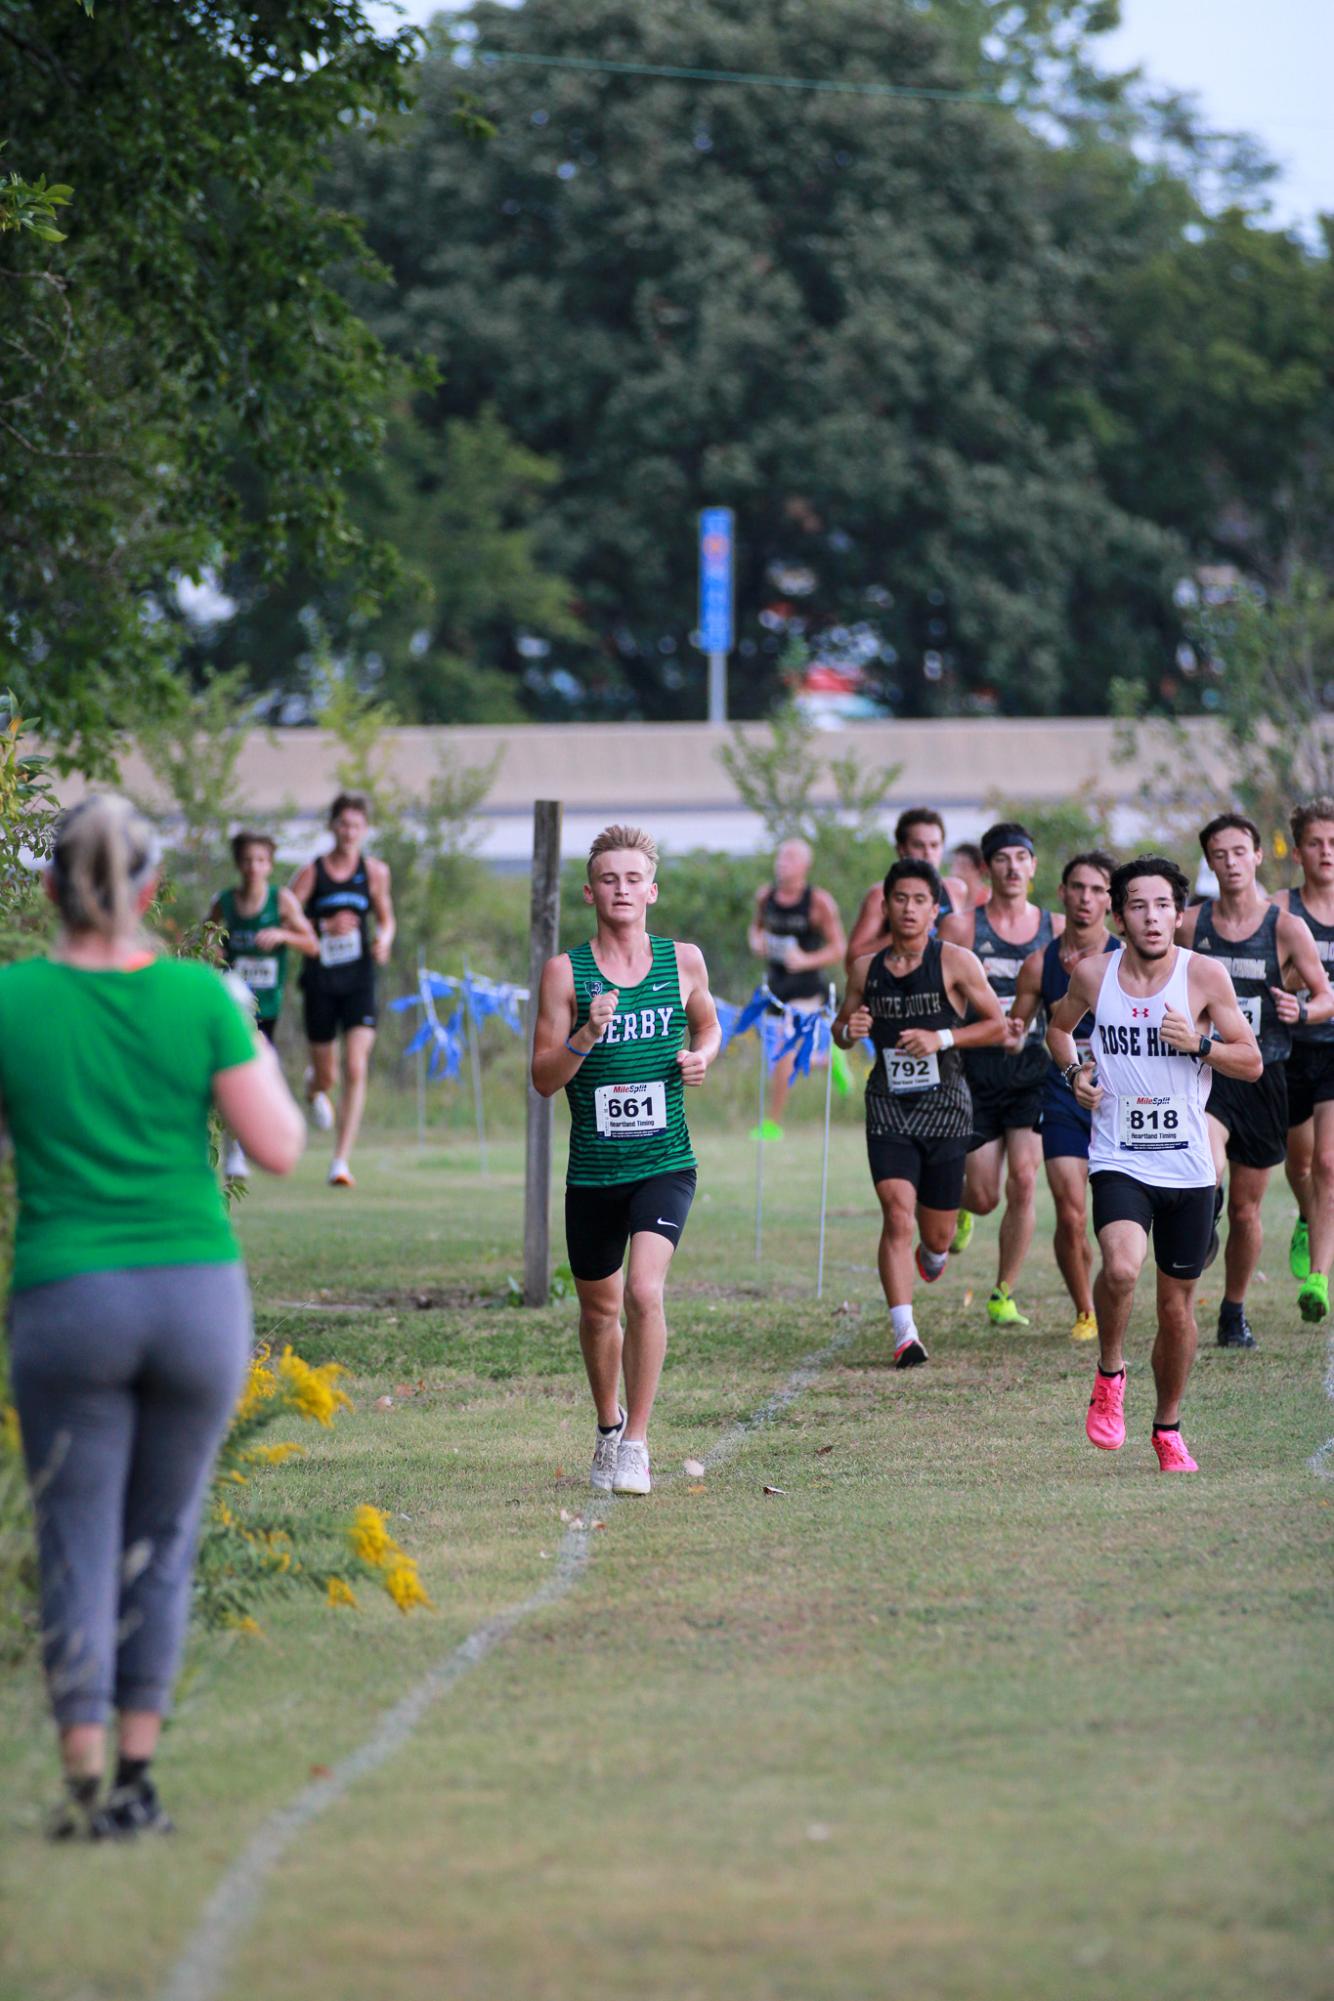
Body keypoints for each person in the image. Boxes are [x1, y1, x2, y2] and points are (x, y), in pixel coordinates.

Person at [0, 795, 304, 1840]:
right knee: (162, 1540)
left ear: (50, 888)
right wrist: (246, 1045)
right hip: (193, 1297)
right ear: (147, 891)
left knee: (76, 1540)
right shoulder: (197, 994)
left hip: (66, 1296)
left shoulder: (12, 1001)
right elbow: (278, 1148)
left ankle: (83, 1789)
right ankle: (138, 1781)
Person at [1048, 855, 1261, 1472]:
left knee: (1176, 1309)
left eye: (1163, 905)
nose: (1151, 916)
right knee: (1119, 1268)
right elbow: (1058, 1031)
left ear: (1178, 913)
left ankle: (1168, 1426)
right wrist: (1075, 1073)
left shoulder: (1204, 977)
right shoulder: (1093, 974)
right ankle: (1110, 1371)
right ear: (1119, 916)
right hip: (1118, 1155)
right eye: (1137, 905)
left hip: (1191, 1168)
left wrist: (1198, 1043)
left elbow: (1251, 1062)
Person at [532, 825, 720, 1497]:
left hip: (665, 1160)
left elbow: (708, 1021)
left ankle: (637, 1442)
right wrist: (586, 1031)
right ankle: (608, 1425)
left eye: (633, 878)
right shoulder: (566, 973)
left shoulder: (683, 960)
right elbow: (544, 1078)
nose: (621, 889)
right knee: (597, 1313)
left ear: (652, 890)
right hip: (592, 1174)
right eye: (609, 878)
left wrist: (703, 1054)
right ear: (590, 891)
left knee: (644, 1292)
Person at [833, 860, 1006, 1367]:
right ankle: (905, 1334)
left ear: (935, 909)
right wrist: (851, 1028)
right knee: (896, 1213)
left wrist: (942, 1037)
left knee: (936, 1235)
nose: (909, 909)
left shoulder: (956, 961)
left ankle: (933, 1256)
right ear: (886, 906)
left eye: (919, 901)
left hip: (946, 1106)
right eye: (900, 899)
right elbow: (841, 1030)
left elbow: (998, 1024)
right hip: (888, 1104)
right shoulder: (865, 968)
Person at [1176, 812, 1333, 1348]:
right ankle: (1203, 1212)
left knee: (1248, 1208)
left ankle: (1233, 1310)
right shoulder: (1190, 925)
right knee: (1208, 1166)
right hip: (1208, 1069)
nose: (1230, 862)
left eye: (1239, 851)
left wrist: (1301, 1011)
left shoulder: (1284, 927)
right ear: (1210, 862)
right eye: (1219, 854)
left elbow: (1325, 993)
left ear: (1258, 856)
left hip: (1266, 1074)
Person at [938, 821, 1064, 1326]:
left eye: (1022, 857)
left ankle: (1003, 1292)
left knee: (1026, 1180)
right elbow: (945, 998)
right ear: (988, 868)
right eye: (1003, 859)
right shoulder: (963, 928)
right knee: (986, 1194)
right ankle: (965, 1206)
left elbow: (1067, 997)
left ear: (1033, 866)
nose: (1013, 867)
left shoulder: (1055, 928)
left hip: (1033, 1069)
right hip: (977, 1071)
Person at [1010, 852, 1117, 1342]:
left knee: (1115, 1215)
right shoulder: (1039, 964)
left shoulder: (1128, 956)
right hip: (1060, 1093)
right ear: (1062, 893)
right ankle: (1085, 1311)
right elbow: (1015, 1025)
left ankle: (1119, 1286)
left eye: (1097, 890)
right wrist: (1012, 1031)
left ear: (1111, 900)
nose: (1086, 898)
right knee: (1071, 1211)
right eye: (1078, 887)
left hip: (1124, 1100)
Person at [290, 792, 395, 1189]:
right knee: (328, 1076)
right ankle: (312, 1084)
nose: (349, 832)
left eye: (356, 825)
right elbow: (288, 916)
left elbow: (386, 918)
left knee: (355, 1065)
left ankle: (340, 1160)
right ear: (332, 826)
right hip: (320, 980)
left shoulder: (375, 872)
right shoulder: (312, 873)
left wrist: (384, 938)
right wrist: (322, 928)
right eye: (343, 824)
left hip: (359, 979)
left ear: (364, 829)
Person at [209, 831, 317, 1177]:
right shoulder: (225, 902)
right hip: (234, 1003)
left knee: (262, 1071)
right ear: (238, 863)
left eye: (260, 860)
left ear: (269, 864)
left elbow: (312, 944)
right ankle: (234, 1153)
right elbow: (202, 940)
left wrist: (284, 935)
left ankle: (263, 1140)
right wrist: (215, 950)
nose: (253, 867)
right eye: (247, 860)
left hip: (267, 1003)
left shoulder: (281, 900)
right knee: (234, 1067)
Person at [1276, 798, 1334, 1321]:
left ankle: (1318, 1277)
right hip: (1291, 1051)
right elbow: (1264, 976)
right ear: (1298, 852)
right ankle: (1304, 1215)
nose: (1327, 852)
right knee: (1298, 1163)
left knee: (1329, 1163)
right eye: (1316, 842)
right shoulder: (1280, 910)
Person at [746, 837, 844, 1139]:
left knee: (784, 1049)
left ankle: (772, 1124)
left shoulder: (818, 902)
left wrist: (806, 960)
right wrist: (756, 941)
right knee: (780, 1056)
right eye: (780, 857)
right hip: (777, 988)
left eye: (789, 858)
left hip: (807, 989)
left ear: (804, 866)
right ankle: (828, 1059)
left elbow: (839, 947)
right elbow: (756, 928)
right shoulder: (766, 897)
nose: (781, 863)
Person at [845, 807, 971, 968]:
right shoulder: (880, 894)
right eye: (919, 846)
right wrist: (905, 934)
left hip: (942, 986)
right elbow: (853, 959)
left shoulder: (956, 889)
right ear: (901, 849)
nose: (928, 853)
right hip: (898, 985)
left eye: (934, 845)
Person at [950, 841, 990, 910]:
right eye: (954, 865)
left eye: (963, 866)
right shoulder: (951, 900)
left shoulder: (990, 900)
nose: (956, 872)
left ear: (979, 870)